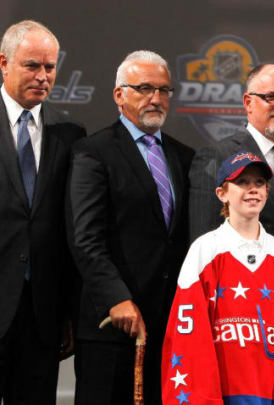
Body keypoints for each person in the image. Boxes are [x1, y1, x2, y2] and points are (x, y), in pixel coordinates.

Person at [188, 63, 274, 403]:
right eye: (271, 97)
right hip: (246, 330)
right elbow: (204, 248)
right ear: (247, 103)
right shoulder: (218, 156)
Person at [68, 50, 194, 404]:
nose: (156, 98)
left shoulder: (184, 157)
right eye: (144, 88)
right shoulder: (92, 152)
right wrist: (116, 298)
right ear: (119, 94)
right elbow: (85, 238)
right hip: (111, 326)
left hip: (168, 324)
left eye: (164, 90)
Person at [162, 151, 274, 404]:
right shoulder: (205, 250)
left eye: (259, 183)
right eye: (242, 182)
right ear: (222, 193)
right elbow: (188, 339)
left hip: (272, 394)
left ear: (267, 191)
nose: (252, 189)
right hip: (221, 394)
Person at [0, 19, 85, 404]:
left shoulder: (70, 136)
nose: (43, 76)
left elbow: (69, 229)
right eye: (32, 65)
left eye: (50, 67)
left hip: (42, 314)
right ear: (4, 63)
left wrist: (67, 309)